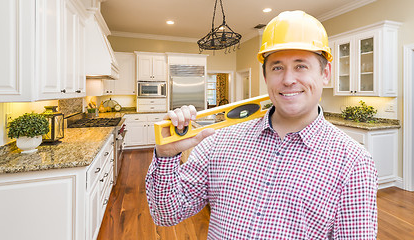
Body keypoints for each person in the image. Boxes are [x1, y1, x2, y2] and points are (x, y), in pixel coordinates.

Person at [146, 10, 377, 239]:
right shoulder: (219, 141)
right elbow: (167, 215)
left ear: (325, 73)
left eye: (301, 66)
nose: (288, 80)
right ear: (266, 77)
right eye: (277, 67)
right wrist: (166, 155)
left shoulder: (353, 162)